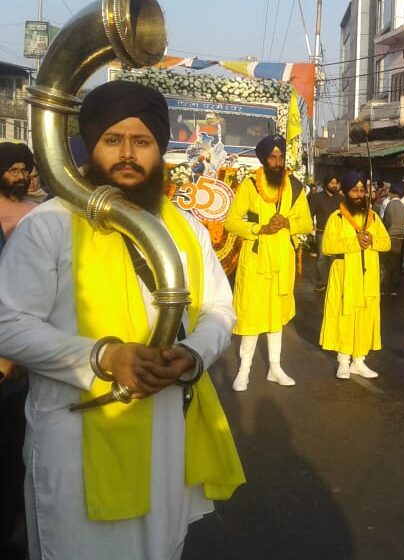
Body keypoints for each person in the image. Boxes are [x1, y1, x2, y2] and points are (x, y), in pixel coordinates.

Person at [0, 80, 244, 560]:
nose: (127, 154)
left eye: (142, 141)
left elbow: (220, 308)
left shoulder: (186, 226)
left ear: (160, 149)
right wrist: (104, 356)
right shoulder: (49, 223)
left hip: (168, 437)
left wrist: (191, 356)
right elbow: (8, 323)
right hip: (77, 444)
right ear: (91, 148)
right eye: (113, 140)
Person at [225, 134, 313, 391]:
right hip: (255, 261)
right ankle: (244, 370)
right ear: (264, 159)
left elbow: (307, 223)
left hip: (282, 261)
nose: (277, 162)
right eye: (273, 157)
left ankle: (275, 367)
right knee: (252, 317)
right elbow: (231, 221)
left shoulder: (295, 186)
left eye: (281, 156)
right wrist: (259, 228)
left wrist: (288, 223)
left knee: (276, 318)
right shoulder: (250, 185)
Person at [0, 141, 39, 560]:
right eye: (12, 169)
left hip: (22, 358)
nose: (21, 176)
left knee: (18, 453)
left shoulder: (41, 214)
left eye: (25, 169)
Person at [319, 171, 390, 378]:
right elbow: (327, 246)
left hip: (367, 277)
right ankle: (343, 360)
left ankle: (359, 360)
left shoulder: (373, 217)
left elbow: (386, 243)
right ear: (346, 192)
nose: (359, 194)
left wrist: (371, 240)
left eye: (362, 190)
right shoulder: (337, 218)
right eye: (354, 190)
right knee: (345, 317)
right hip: (344, 277)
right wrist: (353, 243)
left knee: (365, 317)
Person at [309, 174, 343, 292]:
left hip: (337, 234)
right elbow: (310, 214)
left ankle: (334, 282)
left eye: (336, 183)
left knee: (334, 259)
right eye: (332, 183)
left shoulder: (341, 199)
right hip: (321, 232)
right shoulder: (317, 198)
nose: (334, 186)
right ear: (326, 184)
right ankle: (321, 283)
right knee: (322, 258)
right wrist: (311, 228)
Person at [381, 181, 404, 296]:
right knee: (396, 262)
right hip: (400, 237)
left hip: (390, 236)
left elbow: (387, 221)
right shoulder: (403, 207)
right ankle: (393, 288)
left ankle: (384, 288)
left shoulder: (390, 205)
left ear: (392, 193)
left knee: (386, 264)